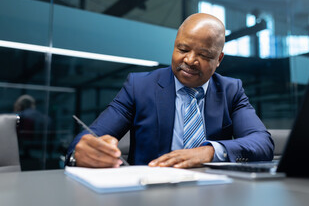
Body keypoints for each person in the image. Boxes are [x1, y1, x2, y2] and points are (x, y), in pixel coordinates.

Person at [66, 13, 274, 168]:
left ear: (218, 59)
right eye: (183, 49)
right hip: (149, 193)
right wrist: (81, 152)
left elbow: (262, 143)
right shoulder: (140, 86)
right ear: (174, 46)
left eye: (203, 54)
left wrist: (209, 151)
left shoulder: (231, 90)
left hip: (214, 192)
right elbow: (90, 137)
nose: (190, 60)